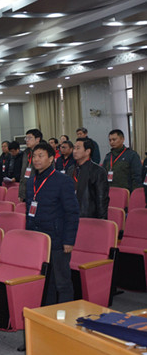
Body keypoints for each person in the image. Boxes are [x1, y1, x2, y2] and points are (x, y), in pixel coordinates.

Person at [25, 142, 79, 305]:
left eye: (40, 156)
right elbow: (29, 210)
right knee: (46, 281)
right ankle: (48, 314)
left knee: (62, 281)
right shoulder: (31, 181)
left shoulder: (63, 181)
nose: (36, 159)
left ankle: (66, 314)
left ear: (50, 159)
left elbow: (72, 212)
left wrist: (69, 240)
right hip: (38, 238)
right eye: (34, 156)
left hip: (57, 239)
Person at [69, 138, 109, 219]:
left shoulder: (98, 171)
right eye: (74, 148)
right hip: (70, 215)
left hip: (88, 216)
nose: (74, 151)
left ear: (87, 151)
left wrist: (102, 220)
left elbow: (101, 199)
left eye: (78, 148)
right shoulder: (71, 169)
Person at [19, 129, 43, 202]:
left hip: (39, 191)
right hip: (26, 191)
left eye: (29, 138)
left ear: (37, 139)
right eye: (26, 138)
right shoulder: (26, 153)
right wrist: (21, 193)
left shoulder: (43, 153)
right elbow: (23, 174)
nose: (27, 140)